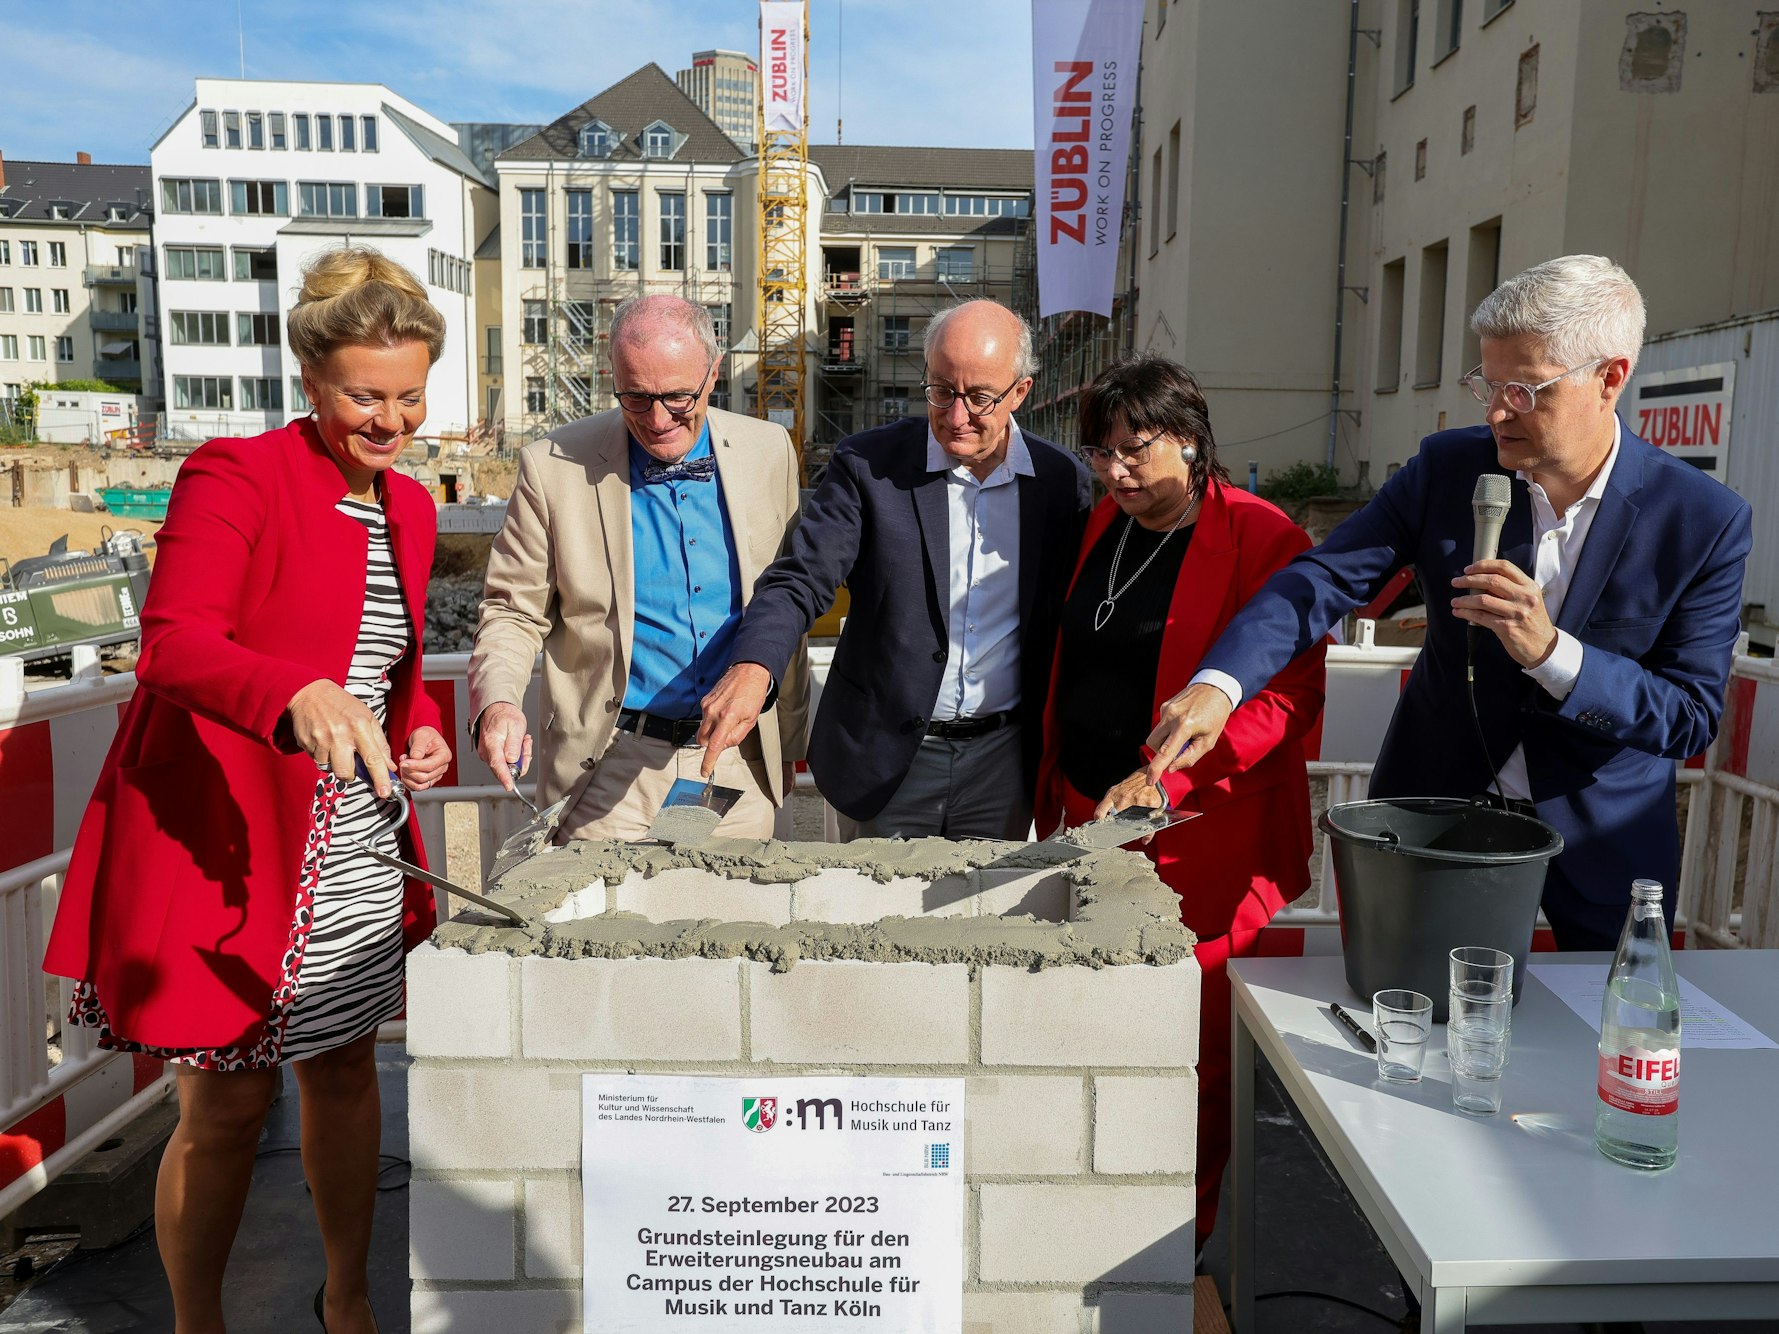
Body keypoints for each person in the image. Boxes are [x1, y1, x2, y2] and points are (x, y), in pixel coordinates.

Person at [44, 246, 453, 1334]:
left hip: (351, 839)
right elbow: (172, 644)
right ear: (311, 382)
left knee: (348, 1067)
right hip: (235, 832)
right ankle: (199, 1322)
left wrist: (414, 729)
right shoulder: (236, 473)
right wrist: (294, 694)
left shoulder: (410, 507)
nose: (390, 420)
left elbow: (390, 668)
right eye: (366, 397)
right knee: (223, 1105)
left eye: (410, 396)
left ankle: (348, 1294)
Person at [1146, 255, 1753, 950]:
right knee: (1405, 1025)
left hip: (1605, 836)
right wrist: (1219, 685)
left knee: (1597, 1042)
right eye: (1485, 385)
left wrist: (1553, 655)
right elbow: (1319, 580)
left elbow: (1689, 716)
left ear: (1608, 379)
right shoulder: (1446, 467)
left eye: (1523, 391)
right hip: (1430, 814)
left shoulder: (1702, 519)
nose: (1495, 412)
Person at [1034, 354, 1326, 1256]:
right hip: (1094, 819)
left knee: (1190, 1045)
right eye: (1099, 453)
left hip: (1202, 833)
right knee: (1097, 1024)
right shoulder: (1104, 526)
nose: (1115, 472)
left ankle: (1180, 1231)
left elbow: (1284, 698)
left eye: (1134, 450)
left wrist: (1172, 779)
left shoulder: (1261, 534)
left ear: (1191, 442)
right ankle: (1097, 1193)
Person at [698, 299, 1091, 839]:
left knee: (986, 918)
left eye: (979, 398)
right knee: (874, 917)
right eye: (940, 391)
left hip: (1006, 764)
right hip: (885, 760)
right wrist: (753, 667)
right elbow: (801, 577)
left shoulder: (1063, 482)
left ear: (1020, 392)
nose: (956, 417)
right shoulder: (868, 466)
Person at [470, 295, 805, 838]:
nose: (656, 420)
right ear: (613, 375)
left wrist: (787, 741)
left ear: (714, 372)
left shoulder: (769, 450)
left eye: (677, 397)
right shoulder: (550, 465)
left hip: (738, 765)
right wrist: (500, 703)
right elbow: (511, 611)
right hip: (606, 768)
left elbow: (790, 595)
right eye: (635, 397)